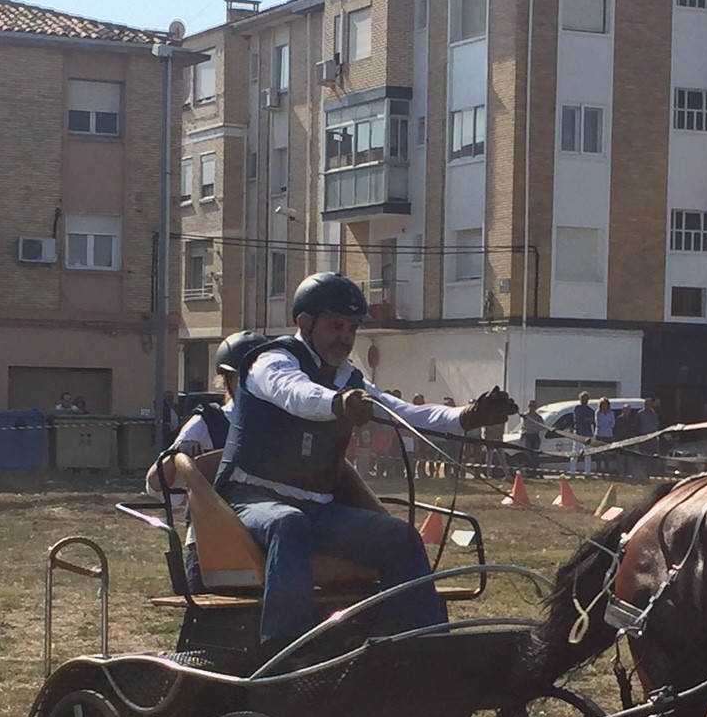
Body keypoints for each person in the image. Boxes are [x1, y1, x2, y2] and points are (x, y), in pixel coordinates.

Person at [216, 272, 514, 655]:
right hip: (250, 501)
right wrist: (336, 404)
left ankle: (424, 649)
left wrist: (466, 417)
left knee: (402, 539)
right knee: (287, 524)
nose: (345, 337)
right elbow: (294, 394)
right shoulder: (271, 362)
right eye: (335, 326)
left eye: (352, 328)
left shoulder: (348, 378)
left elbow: (404, 414)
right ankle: (285, 653)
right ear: (304, 323)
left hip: (316, 511)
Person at [146, 330, 270, 591]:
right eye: (244, 378)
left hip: (265, 540)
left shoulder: (282, 424)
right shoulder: (207, 423)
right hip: (211, 546)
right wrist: (178, 458)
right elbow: (156, 485)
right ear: (227, 380)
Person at [568, 391, 596, 476]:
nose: (584, 400)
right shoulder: (577, 408)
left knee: (587, 454)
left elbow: (592, 420)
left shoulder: (590, 410)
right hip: (578, 434)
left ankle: (587, 473)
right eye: (583, 398)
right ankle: (572, 472)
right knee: (575, 453)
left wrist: (587, 419)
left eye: (586, 399)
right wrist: (587, 419)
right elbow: (579, 420)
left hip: (587, 434)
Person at [519, 400, 545, 477]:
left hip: (535, 437)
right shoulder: (525, 416)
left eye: (534, 406)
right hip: (528, 436)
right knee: (528, 454)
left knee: (535, 455)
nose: (532, 408)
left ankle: (536, 471)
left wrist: (535, 428)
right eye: (530, 406)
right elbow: (525, 427)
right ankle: (530, 472)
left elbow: (542, 427)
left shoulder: (538, 417)